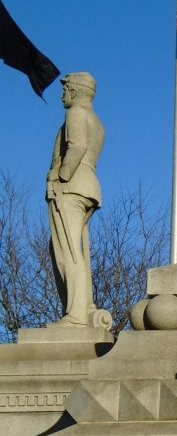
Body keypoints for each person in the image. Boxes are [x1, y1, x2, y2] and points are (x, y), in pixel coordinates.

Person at [46, 72, 105, 326]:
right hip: (87, 186)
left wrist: (61, 175)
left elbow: (77, 146)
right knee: (74, 248)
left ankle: (75, 315)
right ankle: (85, 309)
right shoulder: (97, 120)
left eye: (66, 88)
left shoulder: (76, 114)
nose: (62, 93)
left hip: (70, 187)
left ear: (75, 90)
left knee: (66, 250)